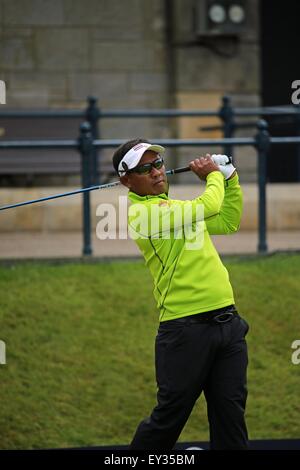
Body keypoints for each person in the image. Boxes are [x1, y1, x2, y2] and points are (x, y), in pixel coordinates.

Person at [112, 139, 249, 450]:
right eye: (144, 168)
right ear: (126, 181)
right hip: (185, 331)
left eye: (157, 163)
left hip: (228, 324)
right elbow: (209, 205)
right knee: (168, 419)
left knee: (231, 416)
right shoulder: (143, 215)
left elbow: (227, 220)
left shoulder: (178, 210)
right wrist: (214, 175)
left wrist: (231, 179)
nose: (156, 172)